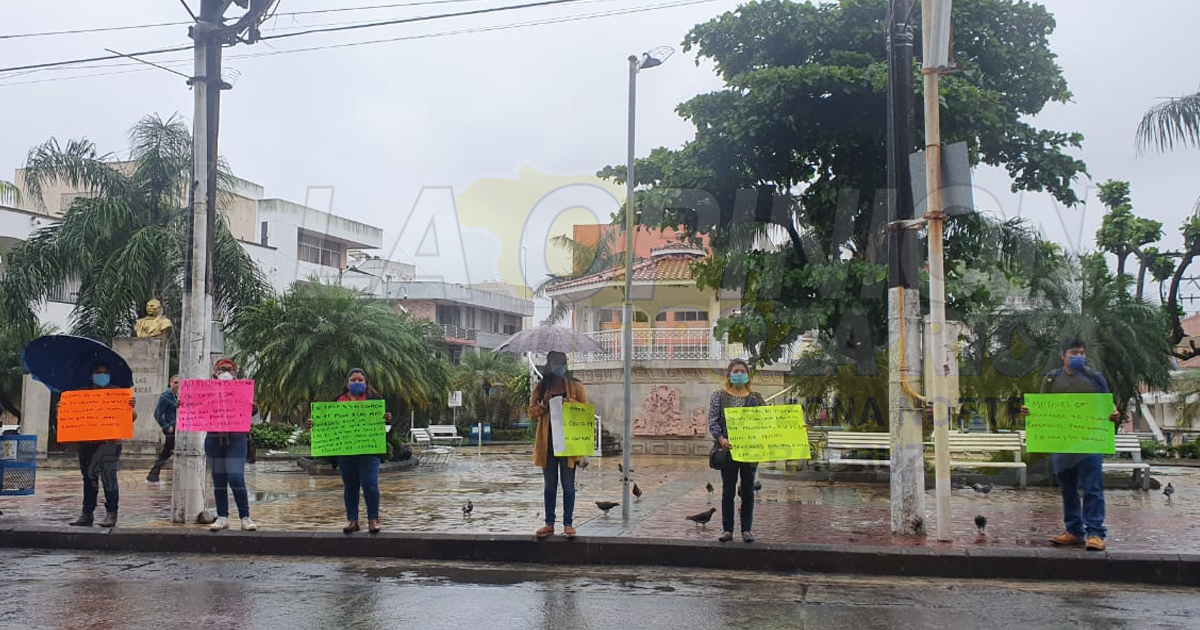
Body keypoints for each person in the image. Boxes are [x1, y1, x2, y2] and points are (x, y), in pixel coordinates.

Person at [1022, 338, 1122, 552]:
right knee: (1067, 487)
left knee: (1092, 487)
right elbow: (1042, 405)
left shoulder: (1094, 377)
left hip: (1091, 441)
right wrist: (1029, 411)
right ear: (1063, 355)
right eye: (1073, 353)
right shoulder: (1052, 379)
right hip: (1062, 442)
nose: (1079, 357)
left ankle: (1095, 533)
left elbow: (1108, 403)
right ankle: (1074, 530)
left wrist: (1114, 412)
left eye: (1082, 353)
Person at [528, 350, 588, 539]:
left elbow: (585, 410)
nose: (559, 367)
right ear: (549, 364)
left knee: (568, 485)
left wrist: (568, 402)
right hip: (547, 444)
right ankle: (549, 523)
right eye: (556, 363)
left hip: (569, 443)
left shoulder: (576, 386)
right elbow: (531, 412)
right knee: (550, 486)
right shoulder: (541, 387)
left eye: (562, 363)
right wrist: (544, 403)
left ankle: (568, 523)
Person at [68, 363, 136, 528]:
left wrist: (130, 407)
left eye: (106, 373)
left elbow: (131, 418)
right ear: (92, 375)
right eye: (99, 372)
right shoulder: (81, 393)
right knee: (89, 478)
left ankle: (111, 513)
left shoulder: (117, 392)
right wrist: (64, 409)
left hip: (110, 443)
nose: (102, 376)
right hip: (86, 442)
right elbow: (70, 416)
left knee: (108, 477)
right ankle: (87, 513)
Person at [708, 359, 765, 543]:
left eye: (742, 371)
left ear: (747, 375)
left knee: (748, 490)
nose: (739, 374)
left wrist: (794, 428)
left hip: (750, 451)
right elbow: (713, 421)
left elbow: (769, 420)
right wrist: (721, 439)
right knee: (728, 491)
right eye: (736, 371)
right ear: (729, 375)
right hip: (728, 451)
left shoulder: (756, 398)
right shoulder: (719, 396)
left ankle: (746, 529)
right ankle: (728, 529)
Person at [332, 368, 392, 534]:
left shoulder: (375, 400)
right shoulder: (337, 401)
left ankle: (373, 519)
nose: (357, 383)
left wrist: (387, 420)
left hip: (369, 450)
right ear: (347, 383)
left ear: (366, 383)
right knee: (350, 486)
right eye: (353, 380)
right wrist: (314, 424)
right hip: (345, 450)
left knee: (370, 483)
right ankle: (352, 520)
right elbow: (327, 423)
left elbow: (385, 428)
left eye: (360, 380)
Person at [204, 358, 257, 532]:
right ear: (215, 372)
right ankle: (222, 517)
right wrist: (184, 404)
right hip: (214, 439)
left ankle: (245, 517)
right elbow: (196, 407)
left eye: (229, 369)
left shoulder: (243, 389)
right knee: (219, 480)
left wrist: (252, 406)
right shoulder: (205, 390)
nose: (225, 372)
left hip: (236, 438)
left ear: (235, 372)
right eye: (222, 369)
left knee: (236, 477)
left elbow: (252, 409)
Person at [146, 374, 179, 483]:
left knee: (169, 452)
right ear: (170, 383)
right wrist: (167, 426)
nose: (178, 385)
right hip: (172, 430)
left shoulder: (182, 395)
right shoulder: (167, 396)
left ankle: (153, 475)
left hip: (182, 430)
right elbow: (157, 413)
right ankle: (153, 475)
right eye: (175, 382)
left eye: (180, 383)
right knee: (166, 452)